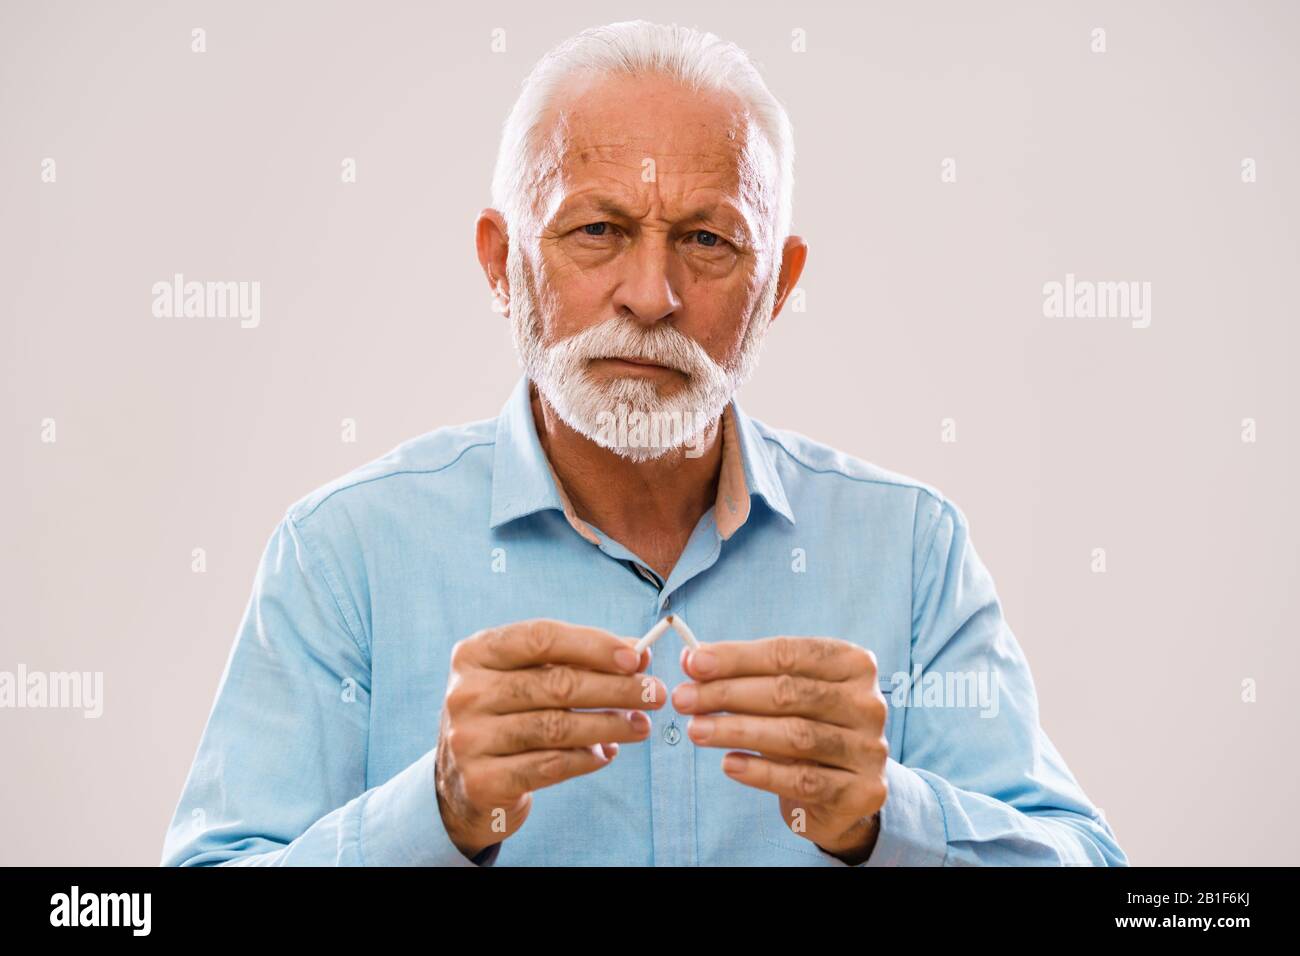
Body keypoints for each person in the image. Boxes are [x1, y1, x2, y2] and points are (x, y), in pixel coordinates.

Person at [161, 20, 1127, 866]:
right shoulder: (345, 554)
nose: (652, 294)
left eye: (709, 240)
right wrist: (436, 814)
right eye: (598, 230)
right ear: (503, 263)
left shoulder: (912, 552)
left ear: (780, 286)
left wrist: (888, 818)